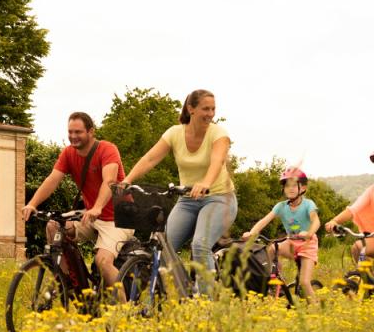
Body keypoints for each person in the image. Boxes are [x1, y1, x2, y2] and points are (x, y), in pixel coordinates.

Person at [122, 89, 236, 294]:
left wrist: (205, 183)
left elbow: (217, 161)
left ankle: (206, 304)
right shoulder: (174, 133)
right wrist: (128, 179)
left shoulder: (219, 133)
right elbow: (150, 159)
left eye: (213, 109)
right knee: (163, 248)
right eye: (205, 109)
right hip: (188, 200)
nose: (210, 114)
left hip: (219, 198)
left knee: (200, 245)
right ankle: (180, 291)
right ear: (191, 109)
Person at [22, 112, 133, 288]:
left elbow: (109, 181)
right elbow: (52, 180)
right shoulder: (68, 154)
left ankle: (125, 310)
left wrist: (97, 207)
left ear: (91, 132)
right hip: (90, 217)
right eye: (70, 132)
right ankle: (70, 284)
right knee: (53, 226)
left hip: (118, 219)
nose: (73, 136)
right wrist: (32, 203)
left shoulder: (107, 149)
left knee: (103, 262)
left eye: (78, 132)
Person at [243, 167, 320, 300]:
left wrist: (308, 233)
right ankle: (277, 280)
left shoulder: (308, 204)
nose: (290, 189)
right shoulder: (281, 206)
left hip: (308, 244)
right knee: (272, 249)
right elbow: (264, 221)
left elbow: (316, 221)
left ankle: (317, 309)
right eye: (287, 186)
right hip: (290, 243)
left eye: (294, 185)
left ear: (302, 188)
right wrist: (252, 233)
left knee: (304, 282)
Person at [325, 151, 374, 262]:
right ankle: (366, 277)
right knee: (358, 248)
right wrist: (334, 221)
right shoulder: (372, 191)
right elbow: (353, 210)